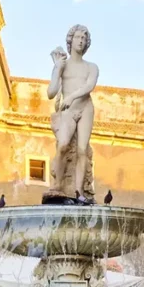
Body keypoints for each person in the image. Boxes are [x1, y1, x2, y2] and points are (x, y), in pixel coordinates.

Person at [48, 24, 99, 200]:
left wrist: (71, 98)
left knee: (82, 150)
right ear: (70, 40)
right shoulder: (63, 65)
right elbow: (51, 93)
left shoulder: (92, 67)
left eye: (84, 38)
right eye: (78, 37)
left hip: (85, 108)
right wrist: (56, 68)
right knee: (62, 145)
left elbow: (89, 86)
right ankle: (57, 185)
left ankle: (79, 192)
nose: (81, 41)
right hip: (68, 111)